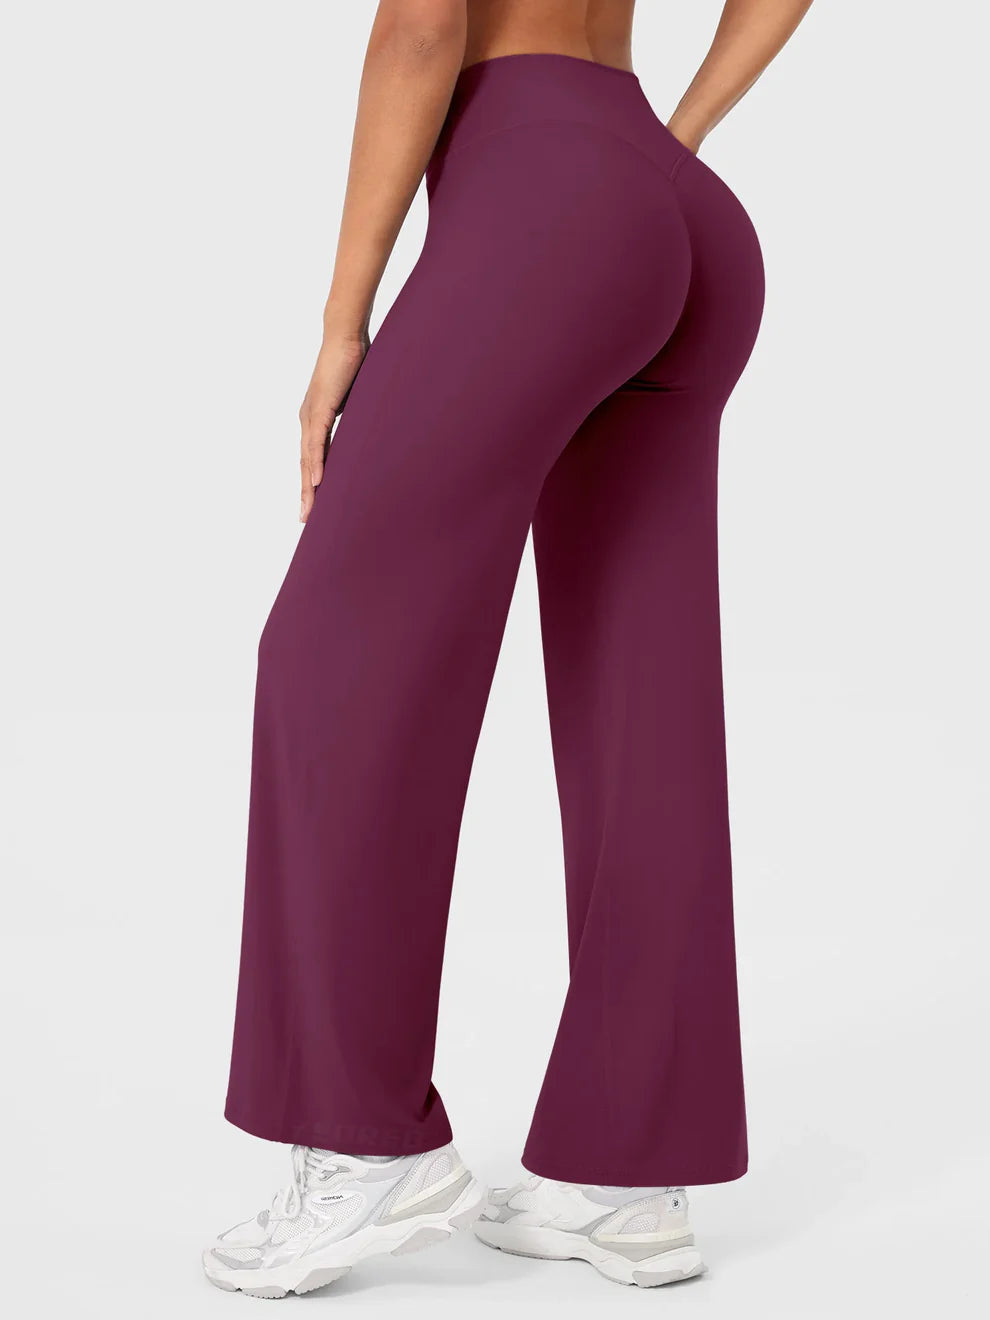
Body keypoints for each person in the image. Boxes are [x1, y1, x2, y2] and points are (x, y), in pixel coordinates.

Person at [204, 0, 814, 1297]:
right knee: (640, 691)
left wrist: (343, 324)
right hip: (671, 201)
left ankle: (361, 1144)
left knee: (332, 652)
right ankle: (629, 1179)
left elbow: (424, 25)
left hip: (545, 200)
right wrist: (677, 137)